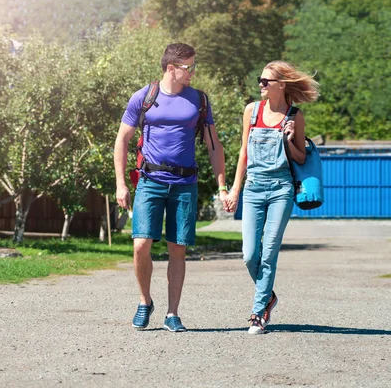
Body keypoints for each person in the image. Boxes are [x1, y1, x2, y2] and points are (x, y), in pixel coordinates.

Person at [113, 43, 229, 332]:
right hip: (150, 181)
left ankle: (172, 313)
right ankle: (144, 301)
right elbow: (122, 140)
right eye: (188, 67)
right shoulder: (145, 97)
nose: (193, 72)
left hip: (185, 184)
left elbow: (214, 145)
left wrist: (222, 185)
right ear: (171, 68)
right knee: (141, 244)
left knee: (177, 248)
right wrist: (121, 184)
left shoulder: (199, 101)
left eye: (193, 66)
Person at [225, 61, 320, 334]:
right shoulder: (251, 111)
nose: (261, 84)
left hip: (281, 189)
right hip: (254, 189)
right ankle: (269, 296)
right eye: (260, 80)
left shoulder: (295, 116)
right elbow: (243, 152)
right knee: (249, 254)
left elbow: (301, 157)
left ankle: (258, 313)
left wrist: (290, 139)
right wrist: (235, 189)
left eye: (266, 81)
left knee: (269, 253)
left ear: (281, 84)